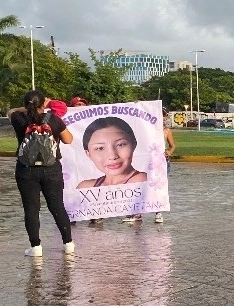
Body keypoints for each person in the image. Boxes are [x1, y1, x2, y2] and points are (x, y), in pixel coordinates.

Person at [10, 89, 76, 257]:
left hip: (26, 170)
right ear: (43, 103)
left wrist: (28, 106)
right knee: (57, 206)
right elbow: (69, 140)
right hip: (51, 169)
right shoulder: (53, 119)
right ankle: (68, 244)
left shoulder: (18, 118)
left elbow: (10, 111)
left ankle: (36, 247)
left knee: (31, 208)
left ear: (26, 104)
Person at [77, 117, 148, 189]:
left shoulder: (143, 180)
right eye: (100, 148)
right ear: (88, 154)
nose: (112, 156)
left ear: (133, 144)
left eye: (120, 145)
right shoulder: (85, 187)